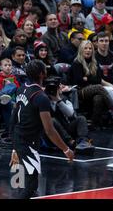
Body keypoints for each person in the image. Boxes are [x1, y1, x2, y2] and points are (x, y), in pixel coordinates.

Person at [9, 60, 74, 199]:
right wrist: (66, 149)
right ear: (42, 74)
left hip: (19, 138)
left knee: (25, 184)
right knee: (31, 186)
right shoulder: (41, 97)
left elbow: (13, 118)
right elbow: (49, 130)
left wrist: (14, 147)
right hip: (28, 143)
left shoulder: (21, 88)